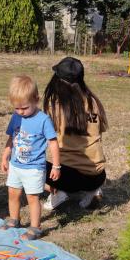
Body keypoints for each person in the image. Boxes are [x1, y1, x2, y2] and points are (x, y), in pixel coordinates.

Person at [41, 57, 108, 211]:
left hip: (69, 178)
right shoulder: (93, 102)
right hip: (98, 175)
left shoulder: (55, 106)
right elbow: (99, 135)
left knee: (30, 163)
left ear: (58, 81)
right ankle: (92, 191)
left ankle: (58, 192)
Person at [0, 75, 61, 240]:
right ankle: (14, 219)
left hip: (34, 168)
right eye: (17, 108)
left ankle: (35, 227)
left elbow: (53, 143)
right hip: (16, 165)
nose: (20, 112)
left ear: (36, 99)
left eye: (24, 108)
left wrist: (56, 166)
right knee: (13, 193)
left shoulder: (43, 120)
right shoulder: (16, 117)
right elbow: (11, 137)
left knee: (32, 197)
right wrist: (5, 156)